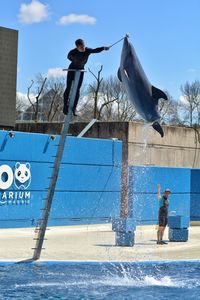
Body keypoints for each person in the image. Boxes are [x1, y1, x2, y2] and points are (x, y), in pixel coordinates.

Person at [63, 39, 110, 116]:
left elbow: (95, 50)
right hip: (72, 70)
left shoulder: (87, 50)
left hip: (81, 70)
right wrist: (74, 59)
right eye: (81, 47)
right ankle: (65, 106)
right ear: (77, 47)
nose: (83, 48)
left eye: (84, 46)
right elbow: (68, 57)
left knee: (77, 89)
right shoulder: (72, 52)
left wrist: (104, 48)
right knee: (68, 87)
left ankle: (74, 108)